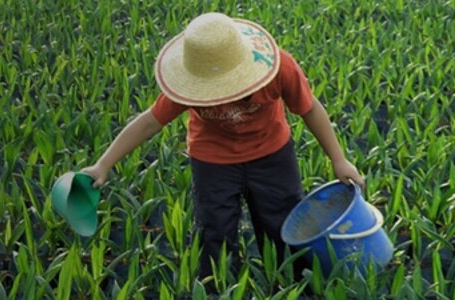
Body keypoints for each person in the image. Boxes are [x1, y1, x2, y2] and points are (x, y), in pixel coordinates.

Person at [81, 12, 365, 283]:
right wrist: (104, 164)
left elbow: (310, 109)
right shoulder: (192, 83)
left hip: (271, 155)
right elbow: (150, 122)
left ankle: (289, 284)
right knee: (214, 231)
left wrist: (338, 159)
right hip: (212, 160)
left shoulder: (279, 67)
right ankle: (219, 286)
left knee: (282, 225)